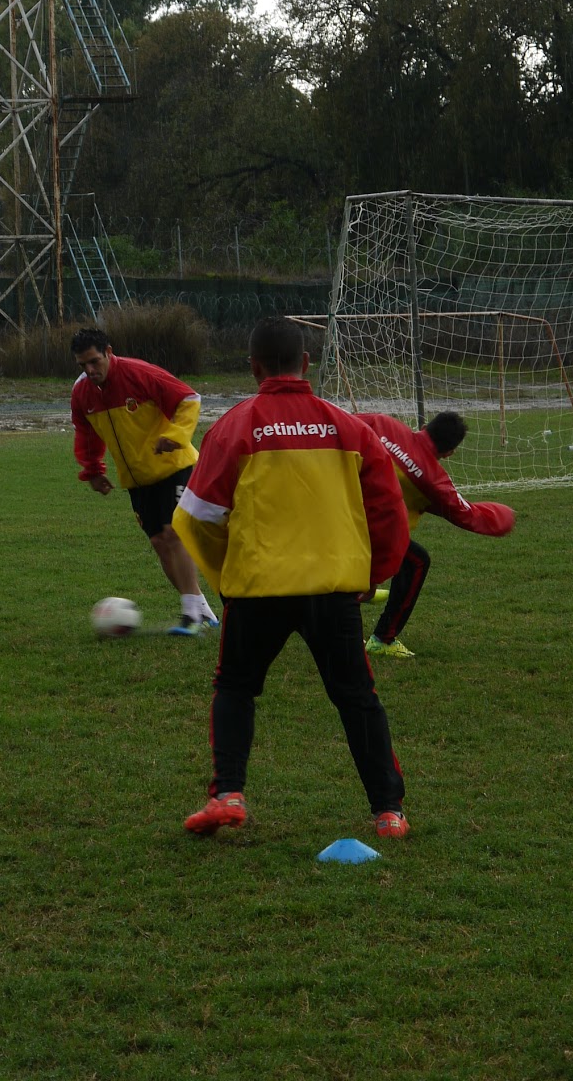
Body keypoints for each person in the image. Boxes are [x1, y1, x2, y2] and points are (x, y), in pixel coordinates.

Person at [172, 316, 411, 839]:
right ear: (307, 364)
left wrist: (227, 575)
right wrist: (373, 573)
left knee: (235, 687)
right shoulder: (349, 427)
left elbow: (194, 517)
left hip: (259, 590)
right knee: (357, 697)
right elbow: (389, 510)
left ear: (254, 367)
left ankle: (228, 795)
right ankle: (389, 812)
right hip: (333, 591)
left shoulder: (234, 426)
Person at [70, 327, 216, 633]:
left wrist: (175, 436)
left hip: (176, 466)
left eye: (95, 361)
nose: (90, 370)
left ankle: (190, 616)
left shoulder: (139, 373)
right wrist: (94, 471)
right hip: (137, 480)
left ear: (109, 351)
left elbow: (189, 398)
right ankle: (202, 610)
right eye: (83, 365)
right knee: (160, 543)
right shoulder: (81, 393)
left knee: (173, 534)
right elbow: (85, 433)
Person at [360, 410, 516, 658]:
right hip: (372, 531)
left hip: (338, 513)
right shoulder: (434, 481)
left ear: (424, 426)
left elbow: (342, 422)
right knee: (416, 561)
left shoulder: (382, 423)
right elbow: (468, 514)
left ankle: (359, 590)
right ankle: (382, 638)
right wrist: (503, 516)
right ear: (449, 452)